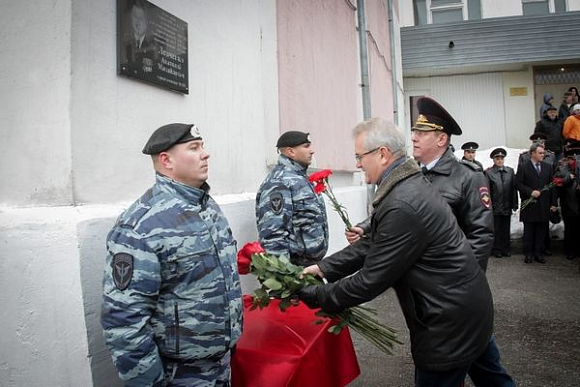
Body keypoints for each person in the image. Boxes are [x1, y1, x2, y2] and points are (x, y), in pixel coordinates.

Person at [298, 118, 494, 387]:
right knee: (492, 377)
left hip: (446, 322)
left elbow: (371, 280)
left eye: (359, 156)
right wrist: (325, 268)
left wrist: (316, 295)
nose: (356, 164)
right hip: (463, 309)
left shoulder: (403, 201)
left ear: (382, 154)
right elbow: (375, 243)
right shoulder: (405, 185)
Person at [101, 123, 243, 387]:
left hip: (221, 364)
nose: (205, 154)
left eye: (202, 146)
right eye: (194, 148)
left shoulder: (207, 206)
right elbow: (124, 321)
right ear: (166, 160)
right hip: (179, 375)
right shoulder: (141, 226)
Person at [411, 97, 515, 387]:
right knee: (488, 369)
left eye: (422, 133)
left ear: (441, 138)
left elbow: (481, 236)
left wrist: (459, 284)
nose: (414, 137)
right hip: (431, 296)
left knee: (448, 369)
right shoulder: (416, 177)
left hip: (454, 296)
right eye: (414, 132)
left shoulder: (468, 177)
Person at [255, 131, 328, 266]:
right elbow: (274, 234)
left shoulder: (299, 178)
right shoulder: (279, 182)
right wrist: (282, 278)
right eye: (306, 146)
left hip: (310, 268)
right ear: (290, 151)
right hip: (295, 271)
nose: (312, 151)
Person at [515, 143, 558, 264]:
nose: (543, 155)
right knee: (529, 232)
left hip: (543, 205)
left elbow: (552, 186)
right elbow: (518, 184)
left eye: (543, 153)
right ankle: (528, 254)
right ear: (532, 153)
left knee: (541, 231)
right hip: (530, 205)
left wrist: (553, 203)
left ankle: (538, 253)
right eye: (540, 153)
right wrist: (530, 192)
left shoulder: (547, 167)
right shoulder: (523, 167)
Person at [485, 148, 518, 258]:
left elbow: (513, 189)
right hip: (495, 206)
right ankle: (497, 249)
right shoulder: (489, 173)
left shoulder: (510, 171)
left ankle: (506, 249)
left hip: (507, 205)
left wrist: (515, 204)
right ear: (493, 160)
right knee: (496, 229)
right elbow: (487, 192)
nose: (500, 161)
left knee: (506, 228)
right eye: (497, 158)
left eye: (501, 158)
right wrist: (488, 206)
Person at [554, 142, 580, 260]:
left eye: (576, 155)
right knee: (570, 229)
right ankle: (570, 250)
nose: (573, 159)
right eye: (570, 157)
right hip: (568, 204)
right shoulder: (562, 168)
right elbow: (556, 183)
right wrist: (567, 179)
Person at [124, 0, 157, 75]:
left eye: (141, 18)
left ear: (147, 21)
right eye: (135, 16)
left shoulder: (152, 45)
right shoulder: (127, 46)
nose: (137, 22)